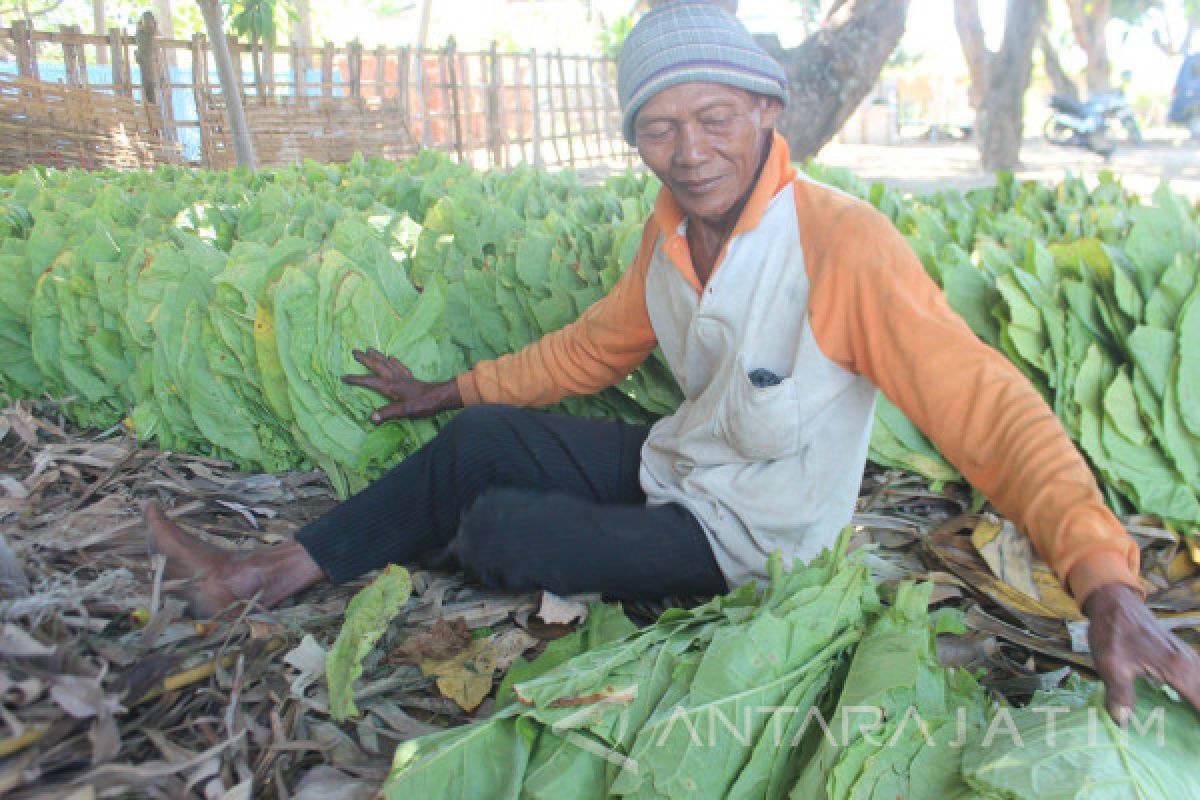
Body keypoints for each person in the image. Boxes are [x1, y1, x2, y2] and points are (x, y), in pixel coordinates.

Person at [146, 0, 1199, 723]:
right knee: (475, 445)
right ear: (636, 140)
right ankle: (268, 568)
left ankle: (450, 539)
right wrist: (452, 390)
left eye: (713, 118)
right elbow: (593, 347)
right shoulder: (667, 233)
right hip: (678, 459)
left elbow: (987, 407)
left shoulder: (842, 245)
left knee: (500, 527)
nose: (688, 149)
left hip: (754, 531)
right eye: (658, 128)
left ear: (767, 114)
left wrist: (1102, 577)